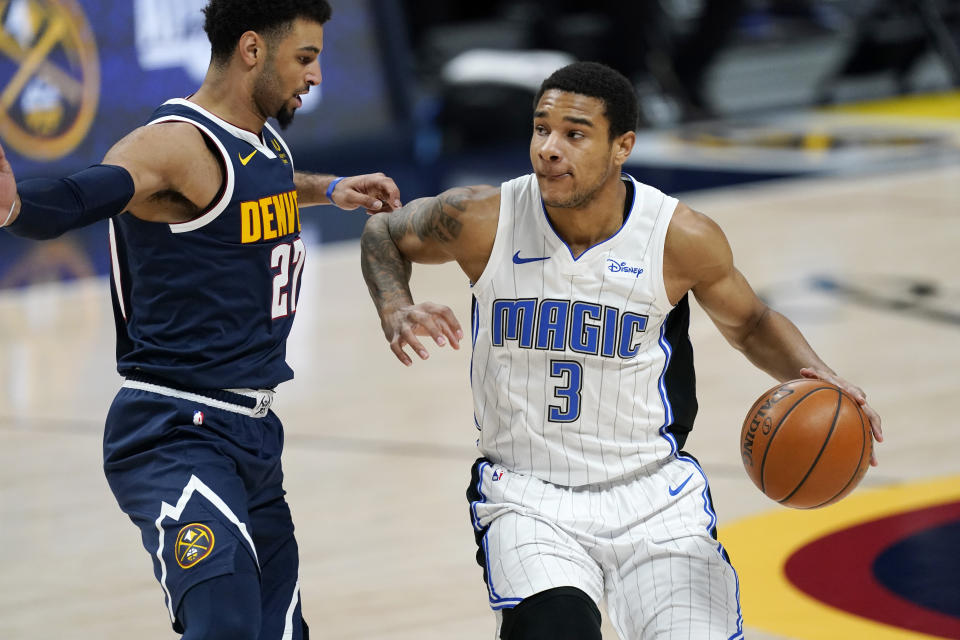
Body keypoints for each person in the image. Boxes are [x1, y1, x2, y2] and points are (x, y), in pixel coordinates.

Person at [360, 61, 883, 639]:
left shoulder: (679, 237)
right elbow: (383, 231)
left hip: (654, 496)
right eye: (541, 129)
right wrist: (394, 305)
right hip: (528, 496)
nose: (549, 149)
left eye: (574, 134)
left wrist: (824, 379)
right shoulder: (483, 219)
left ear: (621, 146)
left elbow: (752, 322)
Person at [0, 1, 402, 638]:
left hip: (252, 433)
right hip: (174, 427)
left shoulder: (262, 139)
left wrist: (329, 189)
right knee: (224, 623)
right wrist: (16, 206)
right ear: (251, 50)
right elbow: (86, 193)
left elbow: (257, 184)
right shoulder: (172, 144)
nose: (316, 75)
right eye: (304, 58)